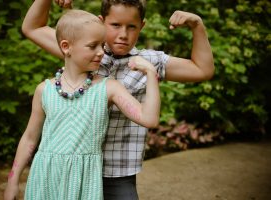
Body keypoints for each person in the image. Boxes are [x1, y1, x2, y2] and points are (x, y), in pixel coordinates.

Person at [21, 0, 215, 199]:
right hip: (72, 169)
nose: (123, 34)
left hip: (117, 173)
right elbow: (32, 27)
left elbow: (202, 70)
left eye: (131, 27)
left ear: (142, 26)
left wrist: (197, 25)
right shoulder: (84, 50)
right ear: (101, 21)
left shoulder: (149, 61)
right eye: (115, 25)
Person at [4, 9, 160, 200]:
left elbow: (149, 119)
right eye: (93, 46)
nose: (101, 52)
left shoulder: (108, 88)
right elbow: (29, 138)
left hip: (85, 182)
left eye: (102, 45)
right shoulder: (44, 90)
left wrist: (151, 73)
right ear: (66, 46)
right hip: (45, 177)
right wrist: (13, 180)